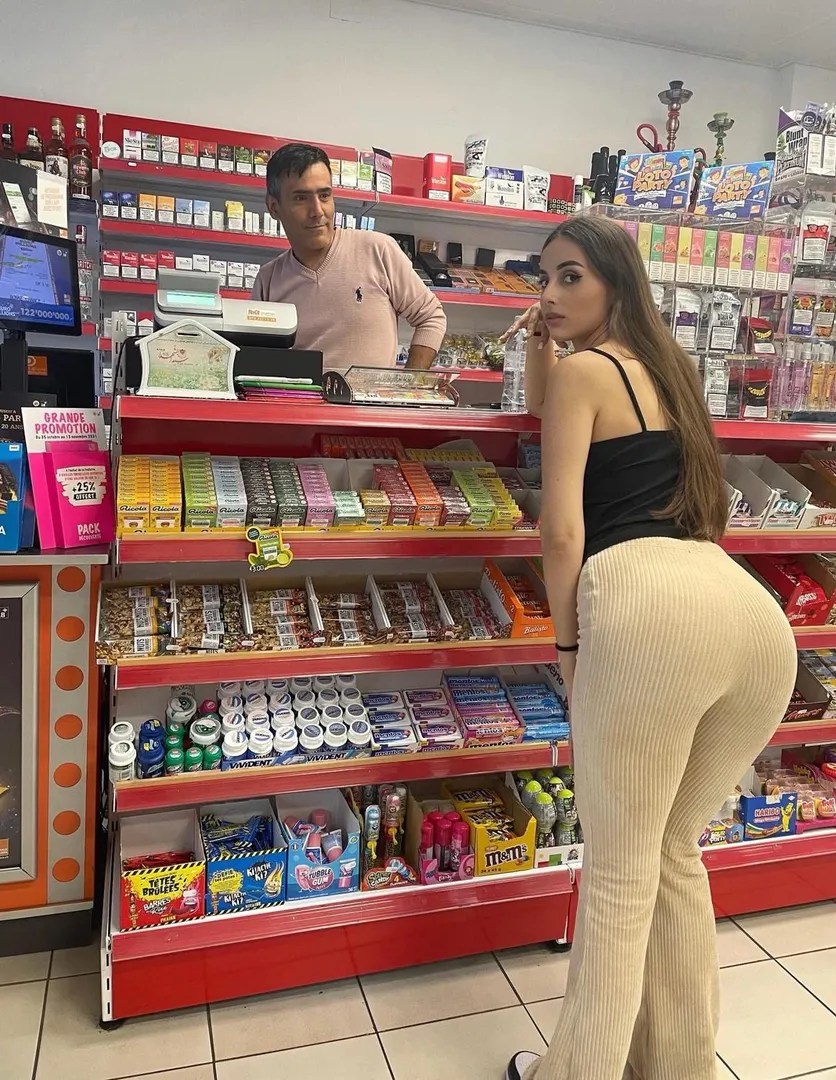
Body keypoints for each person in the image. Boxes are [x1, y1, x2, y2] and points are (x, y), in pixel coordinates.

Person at [502, 216, 797, 1080]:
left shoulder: (585, 373)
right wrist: (540, 345)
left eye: (570, 278)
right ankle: (676, 1067)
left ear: (617, 282)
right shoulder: (671, 372)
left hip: (647, 612)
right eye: (544, 278)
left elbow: (562, 531)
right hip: (746, 615)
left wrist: (566, 646)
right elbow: (552, 409)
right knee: (672, 855)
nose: (550, 295)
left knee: (619, 876)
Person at [251, 143, 446, 370]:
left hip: (373, 396)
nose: (318, 211)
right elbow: (260, 362)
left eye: (324, 195)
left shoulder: (378, 250)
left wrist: (410, 384)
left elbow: (431, 317)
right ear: (274, 207)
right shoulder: (268, 280)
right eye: (301, 198)